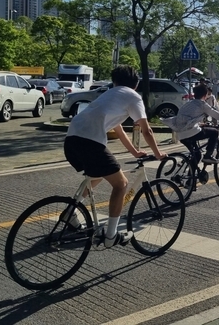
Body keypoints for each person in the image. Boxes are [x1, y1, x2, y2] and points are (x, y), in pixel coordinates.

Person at [63, 65, 167, 248]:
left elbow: (119, 130)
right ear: (135, 84)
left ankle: (70, 212)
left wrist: (134, 152)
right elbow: (147, 130)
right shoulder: (133, 96)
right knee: (121, 184)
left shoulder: (109, 95)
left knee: (97, 175)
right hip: (90, 141)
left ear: (115, 82)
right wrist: (158, 154)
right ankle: (111, 236)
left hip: (71, 140)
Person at [162, 83, 219, 168]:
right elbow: (216, 114)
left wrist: (200, 124)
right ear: (205, 95)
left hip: (181, 134)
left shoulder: (188, 103)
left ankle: (191, 175)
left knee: (197, 155)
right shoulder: (202, 104)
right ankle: (208, 156)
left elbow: (188, 120)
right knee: (214, 132)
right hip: (190, 133)